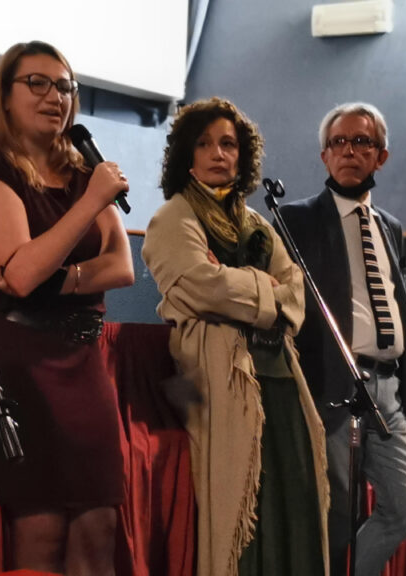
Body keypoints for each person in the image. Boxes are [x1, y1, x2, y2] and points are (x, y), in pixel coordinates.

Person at [0, 41, 133, 575]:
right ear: (5, 96)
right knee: (42, 527)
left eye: (65, 87)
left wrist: (62, 277)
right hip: (15, 359)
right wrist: (91, 204)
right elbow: (23, 275)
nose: (56, 96)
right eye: (38, 83)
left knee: (98, 525)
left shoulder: (83, 170)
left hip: (82, 360)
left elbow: (122, 267)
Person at [142, 97, 330, 576]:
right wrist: (262, 287)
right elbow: (203, 286)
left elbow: (296, 293)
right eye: (205, 143)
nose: (218, 153)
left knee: (294, 504)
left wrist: (244, 287)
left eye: (228, 144)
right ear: (187, 153)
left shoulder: (257, 223)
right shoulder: (173, 218)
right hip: (220, 379)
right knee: (241, 513)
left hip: (280, 377)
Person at [278, 102, 406, 575]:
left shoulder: (390, 228)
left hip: (387, 388)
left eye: (362, 141)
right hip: (332, 383)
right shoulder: (295, 219)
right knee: (336, 510)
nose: (349, 150)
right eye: (338, 142)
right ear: (324, 155)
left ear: (381, 156)